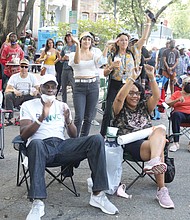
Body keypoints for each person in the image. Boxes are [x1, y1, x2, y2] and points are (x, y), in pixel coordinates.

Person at [19, 74, 118, 220]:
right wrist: (41, 118)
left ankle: (98, 194)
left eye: (53, 87)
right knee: (35, 143)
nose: (50, 90)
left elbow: (73, 135)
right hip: (41, 148)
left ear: (57, 89)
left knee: (96, 139)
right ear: (40, 88)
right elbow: (23, 135)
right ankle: (37, 203)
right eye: (47, 86)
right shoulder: (28, 105)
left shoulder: (62, 106)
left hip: (62, 145)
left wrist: (68, 121)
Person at [112, 64, 174, 209]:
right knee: (159, 149)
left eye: (137, 93)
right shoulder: (119, 110)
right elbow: (119, 98)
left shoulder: (144, 107)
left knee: (159, 131)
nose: (135, 96)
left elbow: (157, 96)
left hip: (150, 143)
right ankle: (162, 190)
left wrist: (151, 76)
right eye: (131, 93)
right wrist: (132, 78)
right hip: (131, 143)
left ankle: (154, 162)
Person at [100, 13, 152, 137]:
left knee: (131, 109)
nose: (124, 42)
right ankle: (103, 137)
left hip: (130, 84)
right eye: (121, 40)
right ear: (117, 42)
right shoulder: (112, 55)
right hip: (115, 84)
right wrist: (112, 66)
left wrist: (148, 23)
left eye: (126, 40)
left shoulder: (133, 52)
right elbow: (105, 72)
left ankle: (127, 133)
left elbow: (143, 39)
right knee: (109, 111)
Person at [68, 32, 108, 137]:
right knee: (79, 116)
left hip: (93, 86)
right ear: (80, 41)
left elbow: (101, 62)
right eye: (84, 39)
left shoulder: (94, 54)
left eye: (89, 40)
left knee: (89, 117)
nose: (87, 42)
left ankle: (83, 139)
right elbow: (76, 62)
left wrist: (107, 46)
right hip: (79, 86)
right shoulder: (73, 54)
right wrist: (77, 45)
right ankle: (74, 140)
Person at [4, 58, 39, 125]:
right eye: (22, 66)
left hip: (28, 96)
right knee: (8, 95)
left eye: (26, 67)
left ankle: (33, 117)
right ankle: (10, 118)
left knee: (37, 96)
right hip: (17, 97)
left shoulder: (32, 76)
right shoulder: (14, 77)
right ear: (19, 67)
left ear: (28, 68)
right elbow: (7, 89)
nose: (24, 69)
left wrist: (36, 91)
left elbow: (38, 87)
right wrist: (14, 90)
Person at [165, 76, 190, 152]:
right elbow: (167, 104)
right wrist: (177, 100)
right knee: (176, 115)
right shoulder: (177, 93)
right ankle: (176, 143)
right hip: (179, 115)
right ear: (183, 85)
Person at [60, 32, 76, 102]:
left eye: (70, 36)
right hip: (65, 68)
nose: (68, 38)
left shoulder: (75, 47)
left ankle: (76, 101)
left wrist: (70, 58)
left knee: (74, 86)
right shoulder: (64, 47)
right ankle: (64, 102)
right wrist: (63, 58)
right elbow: (61, 59)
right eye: (67, 37)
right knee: (63, 86)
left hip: (72, 69)